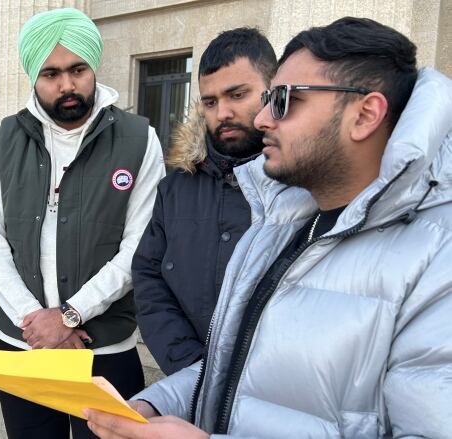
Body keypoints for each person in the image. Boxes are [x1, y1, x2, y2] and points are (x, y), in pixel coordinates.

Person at [86, 17, 452, 438]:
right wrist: (158, 402)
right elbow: (236, 368)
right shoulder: (278, 225)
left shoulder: (438, 258)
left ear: (365, 114)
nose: (261, 119)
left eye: (283, 101)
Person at [0, 7, 165, 439]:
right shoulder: (2, 140)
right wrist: (38, 324)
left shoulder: (138, 138)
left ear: (92, 66)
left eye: (77, 69)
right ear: (34, 78)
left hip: (104, 347)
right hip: (25, 348)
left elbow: (139, 245)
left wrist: (71, 316)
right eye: (51, 73)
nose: (66, 84)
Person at [132, 28, 276, 375]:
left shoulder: (304, 183)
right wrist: (190, 368)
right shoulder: (176, 188)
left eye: (237, 95)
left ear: (273, 90)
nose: (222, 112)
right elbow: (149, 278)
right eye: (209, 102)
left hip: (275, 392)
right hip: (189, 383)